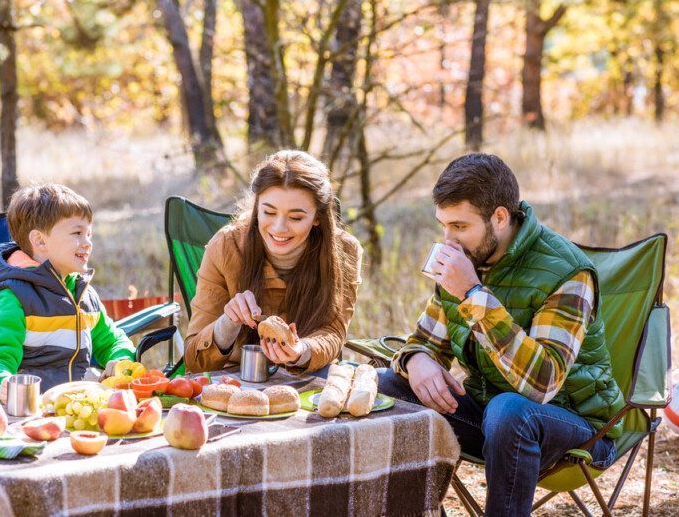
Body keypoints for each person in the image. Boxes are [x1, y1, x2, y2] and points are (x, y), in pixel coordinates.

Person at [378, 153, 624, 516]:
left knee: (510, 410)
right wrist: (416, 360)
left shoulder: (568, 273)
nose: (449, 241)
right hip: (491, 417)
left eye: (460, 226)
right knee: (388, 387)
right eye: (443, 225)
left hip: (573, 425)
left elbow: (542, 384)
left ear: (500, 217)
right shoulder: (464, 260)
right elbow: (424, 342)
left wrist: (474, 296)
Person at [185, 150, 363, 374]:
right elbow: (193, 361)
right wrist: (228, 323)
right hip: (236, 378)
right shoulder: (225, 247)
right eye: (269, 212)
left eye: (296, 217)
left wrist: (302, 351)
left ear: (317, 217)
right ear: (257, 207)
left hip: (309, 378)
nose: (279, 228)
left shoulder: (344, 251)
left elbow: (333, 332)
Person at [0, 183, 136, 403]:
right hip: (30, 410)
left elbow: (112, 341)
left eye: (89, 234)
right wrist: (1, 382)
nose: (88, 243)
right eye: (77, 233)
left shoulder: (84, 295)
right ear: (40, 240)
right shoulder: (13, 298)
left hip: (80, 407)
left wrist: (119, 359)